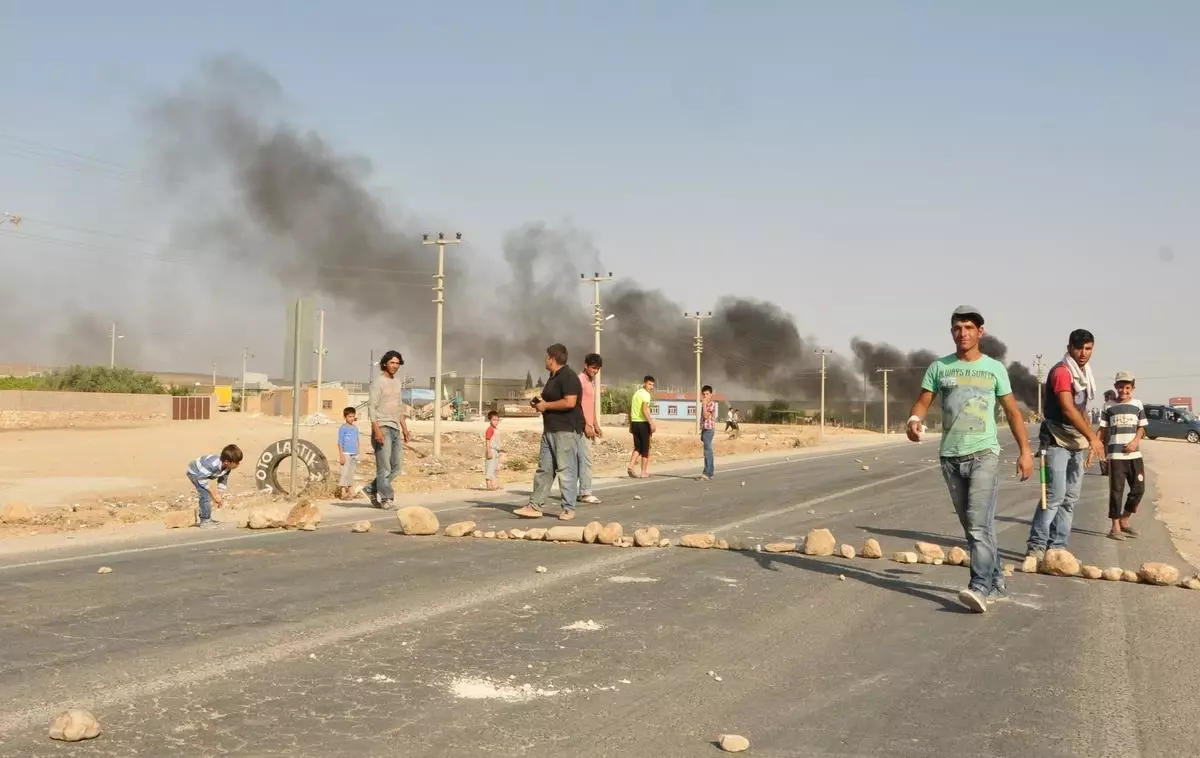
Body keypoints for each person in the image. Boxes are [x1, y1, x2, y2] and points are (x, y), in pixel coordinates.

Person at [906, 306, 1033, 613]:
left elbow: (1013, 412)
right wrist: (913, 420)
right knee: (974, 525)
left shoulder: (994, 369)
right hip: (950, 457)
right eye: (957, 328)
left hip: (984, 454)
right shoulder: (940, 368)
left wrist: (1026, 451)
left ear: (980, 332)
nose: (962, 333)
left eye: (968, 328)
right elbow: (924, 401)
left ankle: (979, 586)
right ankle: (996, 577)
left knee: (977, 524)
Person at [1025, 329, 1106, 559]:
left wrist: (1087, 442)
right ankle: (1037, 546)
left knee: (1070, 499)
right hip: (1056, 439)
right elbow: (1069, 409)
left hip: (1076, 442)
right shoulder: (1062, 372)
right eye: (1078, 348)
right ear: (1069, 347)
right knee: (1054, 496)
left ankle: (1058, 547)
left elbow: (1082, 410)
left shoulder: (1084, 374)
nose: (1083, 353)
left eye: (1088, 348)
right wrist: (1092, 437)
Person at [514, 343, 583, 521]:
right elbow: (552, 400)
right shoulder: (553, 377)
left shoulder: (569, 377)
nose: (545, 360)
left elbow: (570, 402)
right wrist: (540, 404)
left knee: (566, 470)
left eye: (547, 357)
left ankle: (568, 508)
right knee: (544, 469)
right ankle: (534, 505)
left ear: (552, 358)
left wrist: (546, 405)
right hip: (550, 430)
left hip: (565, 430)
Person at [1099, 371, 1148, 540]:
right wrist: (1096, 451)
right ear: (1116, 387)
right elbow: (1103, 431)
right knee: (1116, 492)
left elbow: (1141, 428)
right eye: (1121, 387)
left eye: (1127, 387)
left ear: (1132, 388)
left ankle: (1125, 519)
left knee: (1139, 489)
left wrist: (1135, 442)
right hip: (1115, 457)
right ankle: (1115, 527)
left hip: (1135, 456)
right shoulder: (1108, 407)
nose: (1124, 391)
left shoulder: (1137, 404)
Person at [363, 350, 412, 510]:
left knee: (396, 467)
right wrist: (376, 430)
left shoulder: (397, 383)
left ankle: (371, 488)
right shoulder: (378, 382)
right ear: (385, 363)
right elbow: (372, 407)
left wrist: (405, 429)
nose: (395, 366)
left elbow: (399, 408)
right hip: (382, 427)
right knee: (384, 467)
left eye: (397, 363)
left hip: (395, 428)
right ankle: (386, 498)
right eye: (392, 362)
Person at [186, 443, 244, 528]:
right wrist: (213, 494)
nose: (238, 464)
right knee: (205, 495)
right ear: (227, 462)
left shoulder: (227, 467)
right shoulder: (212, 465)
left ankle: (206, 517)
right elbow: (201, 479)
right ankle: (205, 520)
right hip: (195, 473)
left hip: (205, 474)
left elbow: (223, 480)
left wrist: (219, 495)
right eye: (236, 462)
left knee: (209, 494)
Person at [576, 353, 603, 504]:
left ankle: (580, 492)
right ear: (586, 365)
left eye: (597, 369)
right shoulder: (579, 381)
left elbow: (590, 405)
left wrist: (596, 424)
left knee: (582, 459)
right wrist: (585, 424)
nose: (595, 371)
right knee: (585, 460)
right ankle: (585, 492)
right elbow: (577, 405)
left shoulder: (590, 382)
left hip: (589, 426)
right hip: (581, 427)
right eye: (593, 368)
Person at [627, 375, 656, 479]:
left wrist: (630, 425)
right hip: (642, 423)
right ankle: (643, 472)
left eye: (652, 385)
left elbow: (630, 409)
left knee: (638, 447)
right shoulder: (646, 395)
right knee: (645, 449)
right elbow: (644, 410)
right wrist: (651, 423)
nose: (651, 387)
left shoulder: (636, 394)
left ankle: (630, 466)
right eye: (649, 384)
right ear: (644, 383)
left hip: (634, 423)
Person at [337, 406, 360, 500]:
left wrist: (358, 451)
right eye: (349, 416)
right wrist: (341, 454)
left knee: (351, 472)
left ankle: (351, 491)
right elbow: (340, 442)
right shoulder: (343, 428)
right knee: (344, 472)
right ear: (345, 417)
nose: (351, 418)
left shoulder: (355, 428)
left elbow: (357, 440)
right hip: (346, 453)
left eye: (353, 416)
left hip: (354, 453)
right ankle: (342, 491)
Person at [699, 385, 717, 480]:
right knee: (707, 450)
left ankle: (707, 472)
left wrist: (704, 405)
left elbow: (706, 416)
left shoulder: (711, 404)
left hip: (709, 429)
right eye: (704, 394)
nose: (705, 396)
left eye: (707, 394)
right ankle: (710, 471)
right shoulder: (705, 404)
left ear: (711, 394)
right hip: (705, 429)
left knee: (707, 451)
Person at [484, 410, 503, 490]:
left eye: (497, 420)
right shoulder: (490, 429)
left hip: (496, 451)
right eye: (493, 420)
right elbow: (487, 440)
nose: (495, 422)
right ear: (490, 420)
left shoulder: (496, 429)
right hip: (491, 450)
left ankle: (493, 484)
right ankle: (488, 484)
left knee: (494, 468)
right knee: (490, 467)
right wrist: (489, 451)